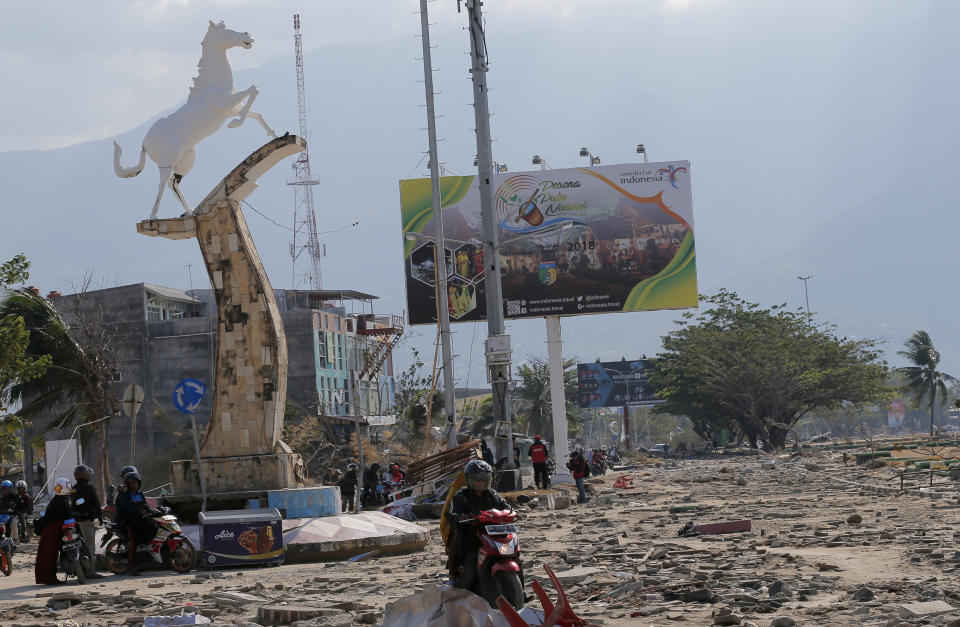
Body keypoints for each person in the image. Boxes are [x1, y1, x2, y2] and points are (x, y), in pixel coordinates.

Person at [445, 460, 514, 587]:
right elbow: (450, 515)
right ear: (468, 480)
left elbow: (506, 506)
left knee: (513, 550)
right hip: (471, 530)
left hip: (492, 529)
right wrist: (461, 517)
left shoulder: (493, 494)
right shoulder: (460, 496)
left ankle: (519, 583)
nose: (480, 483)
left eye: (484, 479)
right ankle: (453, 575)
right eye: (476, 480)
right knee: (456, 537)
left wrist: (512, 512)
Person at [115, 471, 161, 564]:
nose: (134, 484)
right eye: (131, 482)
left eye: (135, 482)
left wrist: (152, 511)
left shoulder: (140, 494)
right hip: (127, 522)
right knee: (134, 542)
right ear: (127, 484)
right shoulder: (125, 495)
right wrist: (139, 511)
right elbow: (126, 508)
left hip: (138, 521)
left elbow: (144, 506)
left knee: (153, 527)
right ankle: (131, 566)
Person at [35, 477, 73, 584]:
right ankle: (49, 579)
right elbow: (67, 515)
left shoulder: (57, 500)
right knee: (50, 555)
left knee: (49, 554)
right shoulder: (62, 501)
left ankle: (48, 578)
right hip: (52, 531)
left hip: (51, 531)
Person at [71, 465, 102, 577]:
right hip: (86, 520)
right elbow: (96, 503)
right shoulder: (89, 488)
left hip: (75, 520)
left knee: (79, 544)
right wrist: (100, 517)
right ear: (85, 474)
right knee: (90, 545)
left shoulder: (73, 488)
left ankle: (81, 568)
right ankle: (90, 571)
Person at [0, 479, 19, 545]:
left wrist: (10, 508)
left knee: (14, 523)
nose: (5, 489)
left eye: (7, 488)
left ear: (10, 488)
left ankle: (15, 540)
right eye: (4, 488)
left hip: (11, 515)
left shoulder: (14, 495)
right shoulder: (1, 497)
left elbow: (14, 505)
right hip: (2, 515)